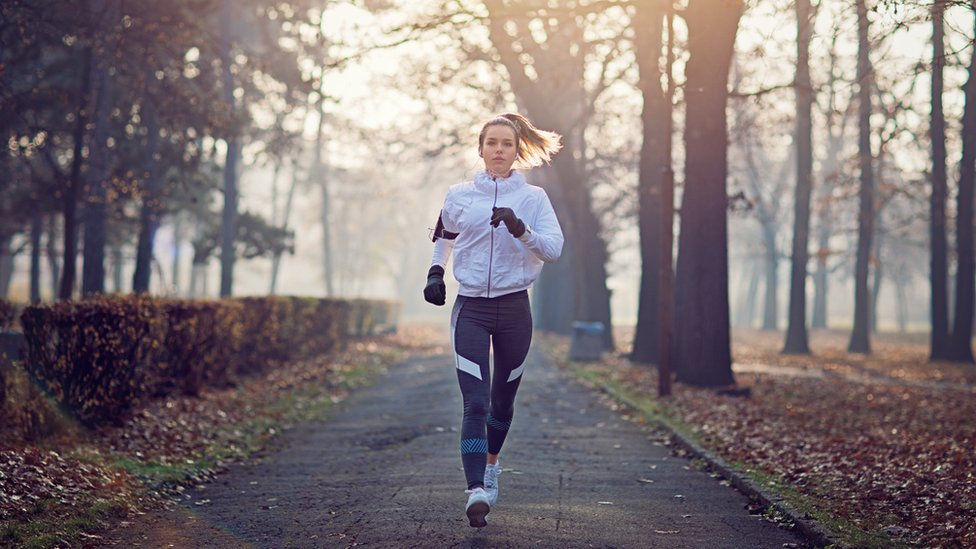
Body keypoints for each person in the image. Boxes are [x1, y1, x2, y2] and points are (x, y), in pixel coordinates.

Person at [423, 112, 564, 528]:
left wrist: (520, 229)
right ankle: (475, 491)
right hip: (471, 308)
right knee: (476, 401)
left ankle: (491, 466)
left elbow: (553, 249)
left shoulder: (534, 199)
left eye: (506, 144)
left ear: (517, 151)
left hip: (515, 310)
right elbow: (444, 235)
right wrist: (435, 272)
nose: (499, 150)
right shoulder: (459, 195)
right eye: (492, 143)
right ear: (480, 149)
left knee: (502, 403)